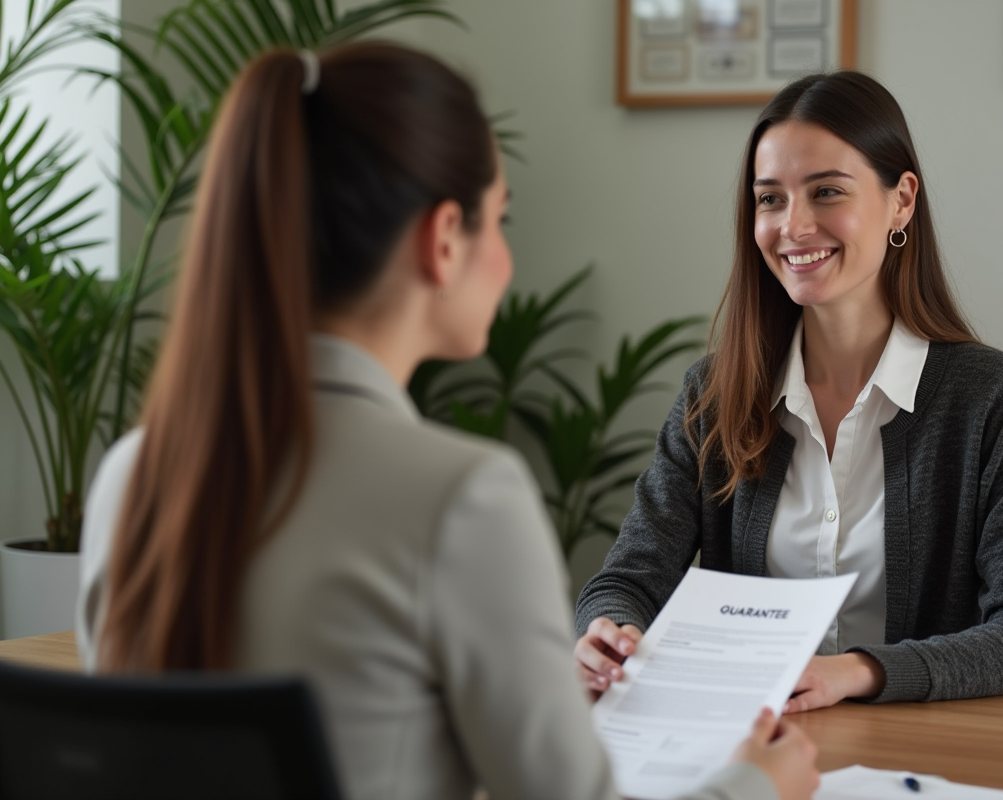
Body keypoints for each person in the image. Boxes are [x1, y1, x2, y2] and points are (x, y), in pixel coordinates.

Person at [74, 44, 818, 800]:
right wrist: (755, 785)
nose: (505, 258)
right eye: (500, 219)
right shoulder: (463, 498)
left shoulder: (131, 475)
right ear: (442, 240)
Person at [574, 71, 1003, 713]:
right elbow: (630, 577)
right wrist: (610, 629)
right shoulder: (715, 395)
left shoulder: (992, 398)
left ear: (902, 201)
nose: (794, 225)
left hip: (920, 758)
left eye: (827, 192)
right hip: (758, 750)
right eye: (770, 199)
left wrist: (854, 673)